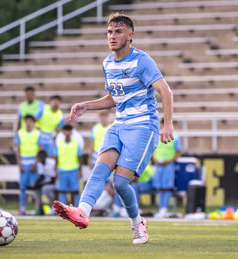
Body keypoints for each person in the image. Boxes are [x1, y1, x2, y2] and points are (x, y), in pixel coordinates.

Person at [53, 13, 174, 244]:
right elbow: (113, 98)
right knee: (99, 170)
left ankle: (137, 222)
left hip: (143, 126)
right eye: (109, 32)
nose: (112, 36)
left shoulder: (142, 61)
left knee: (119, 183)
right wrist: (86, 105)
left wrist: (167, 124)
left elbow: (166, 91)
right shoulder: (108, 63)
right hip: (119, 125)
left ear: (131, 36)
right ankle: (83, 212)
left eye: (118, 32)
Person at [153, 119, 182, 218]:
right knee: (159, 187)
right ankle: (161, 208)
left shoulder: (176, 136)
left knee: (166, 188)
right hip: (158, 165)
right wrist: (154, 159)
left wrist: (170, 161)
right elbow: (153, 148)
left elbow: (179, 151)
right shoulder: (156, 135)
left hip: (168, 165)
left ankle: (164, 208)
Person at [14, 115, 42, 215]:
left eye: (30, 121)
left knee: (36, 187)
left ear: (33, 122)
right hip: (23, 163)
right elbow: (17, 149)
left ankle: (38, 207)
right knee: (22, 187)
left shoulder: (37, 133)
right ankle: (22, 208)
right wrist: (19, 164)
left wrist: (36, 163)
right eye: (26, 121)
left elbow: (40, 150)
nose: (28, 123)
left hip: (33, 163)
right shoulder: (20, 133)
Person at [55, 124, 82, 207]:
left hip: (73, 170)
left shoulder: (75, 143)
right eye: (65, 130)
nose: (67, 132)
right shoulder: (59, 144)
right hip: (62, 170)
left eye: (69, 130)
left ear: (71, 132)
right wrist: (56, 170)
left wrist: (80, 170)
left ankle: (77, 208)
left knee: (75, 191)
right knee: (62, 190)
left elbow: (79, 157)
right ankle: (62, 208)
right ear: (63, 132)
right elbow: (56, 157)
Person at [30, 150, 56, 215]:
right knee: (36, 189)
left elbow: (53, 179)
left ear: (46, 157)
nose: (41, 158)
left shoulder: (52, 163)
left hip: (56, 181)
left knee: (45, 189)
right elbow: (41, 176)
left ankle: (54, 205)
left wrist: (41, 184)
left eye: (42, 157)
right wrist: (36, 185)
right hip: (48, 181)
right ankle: (39, 207)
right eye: (39, 157)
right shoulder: (39, 163)